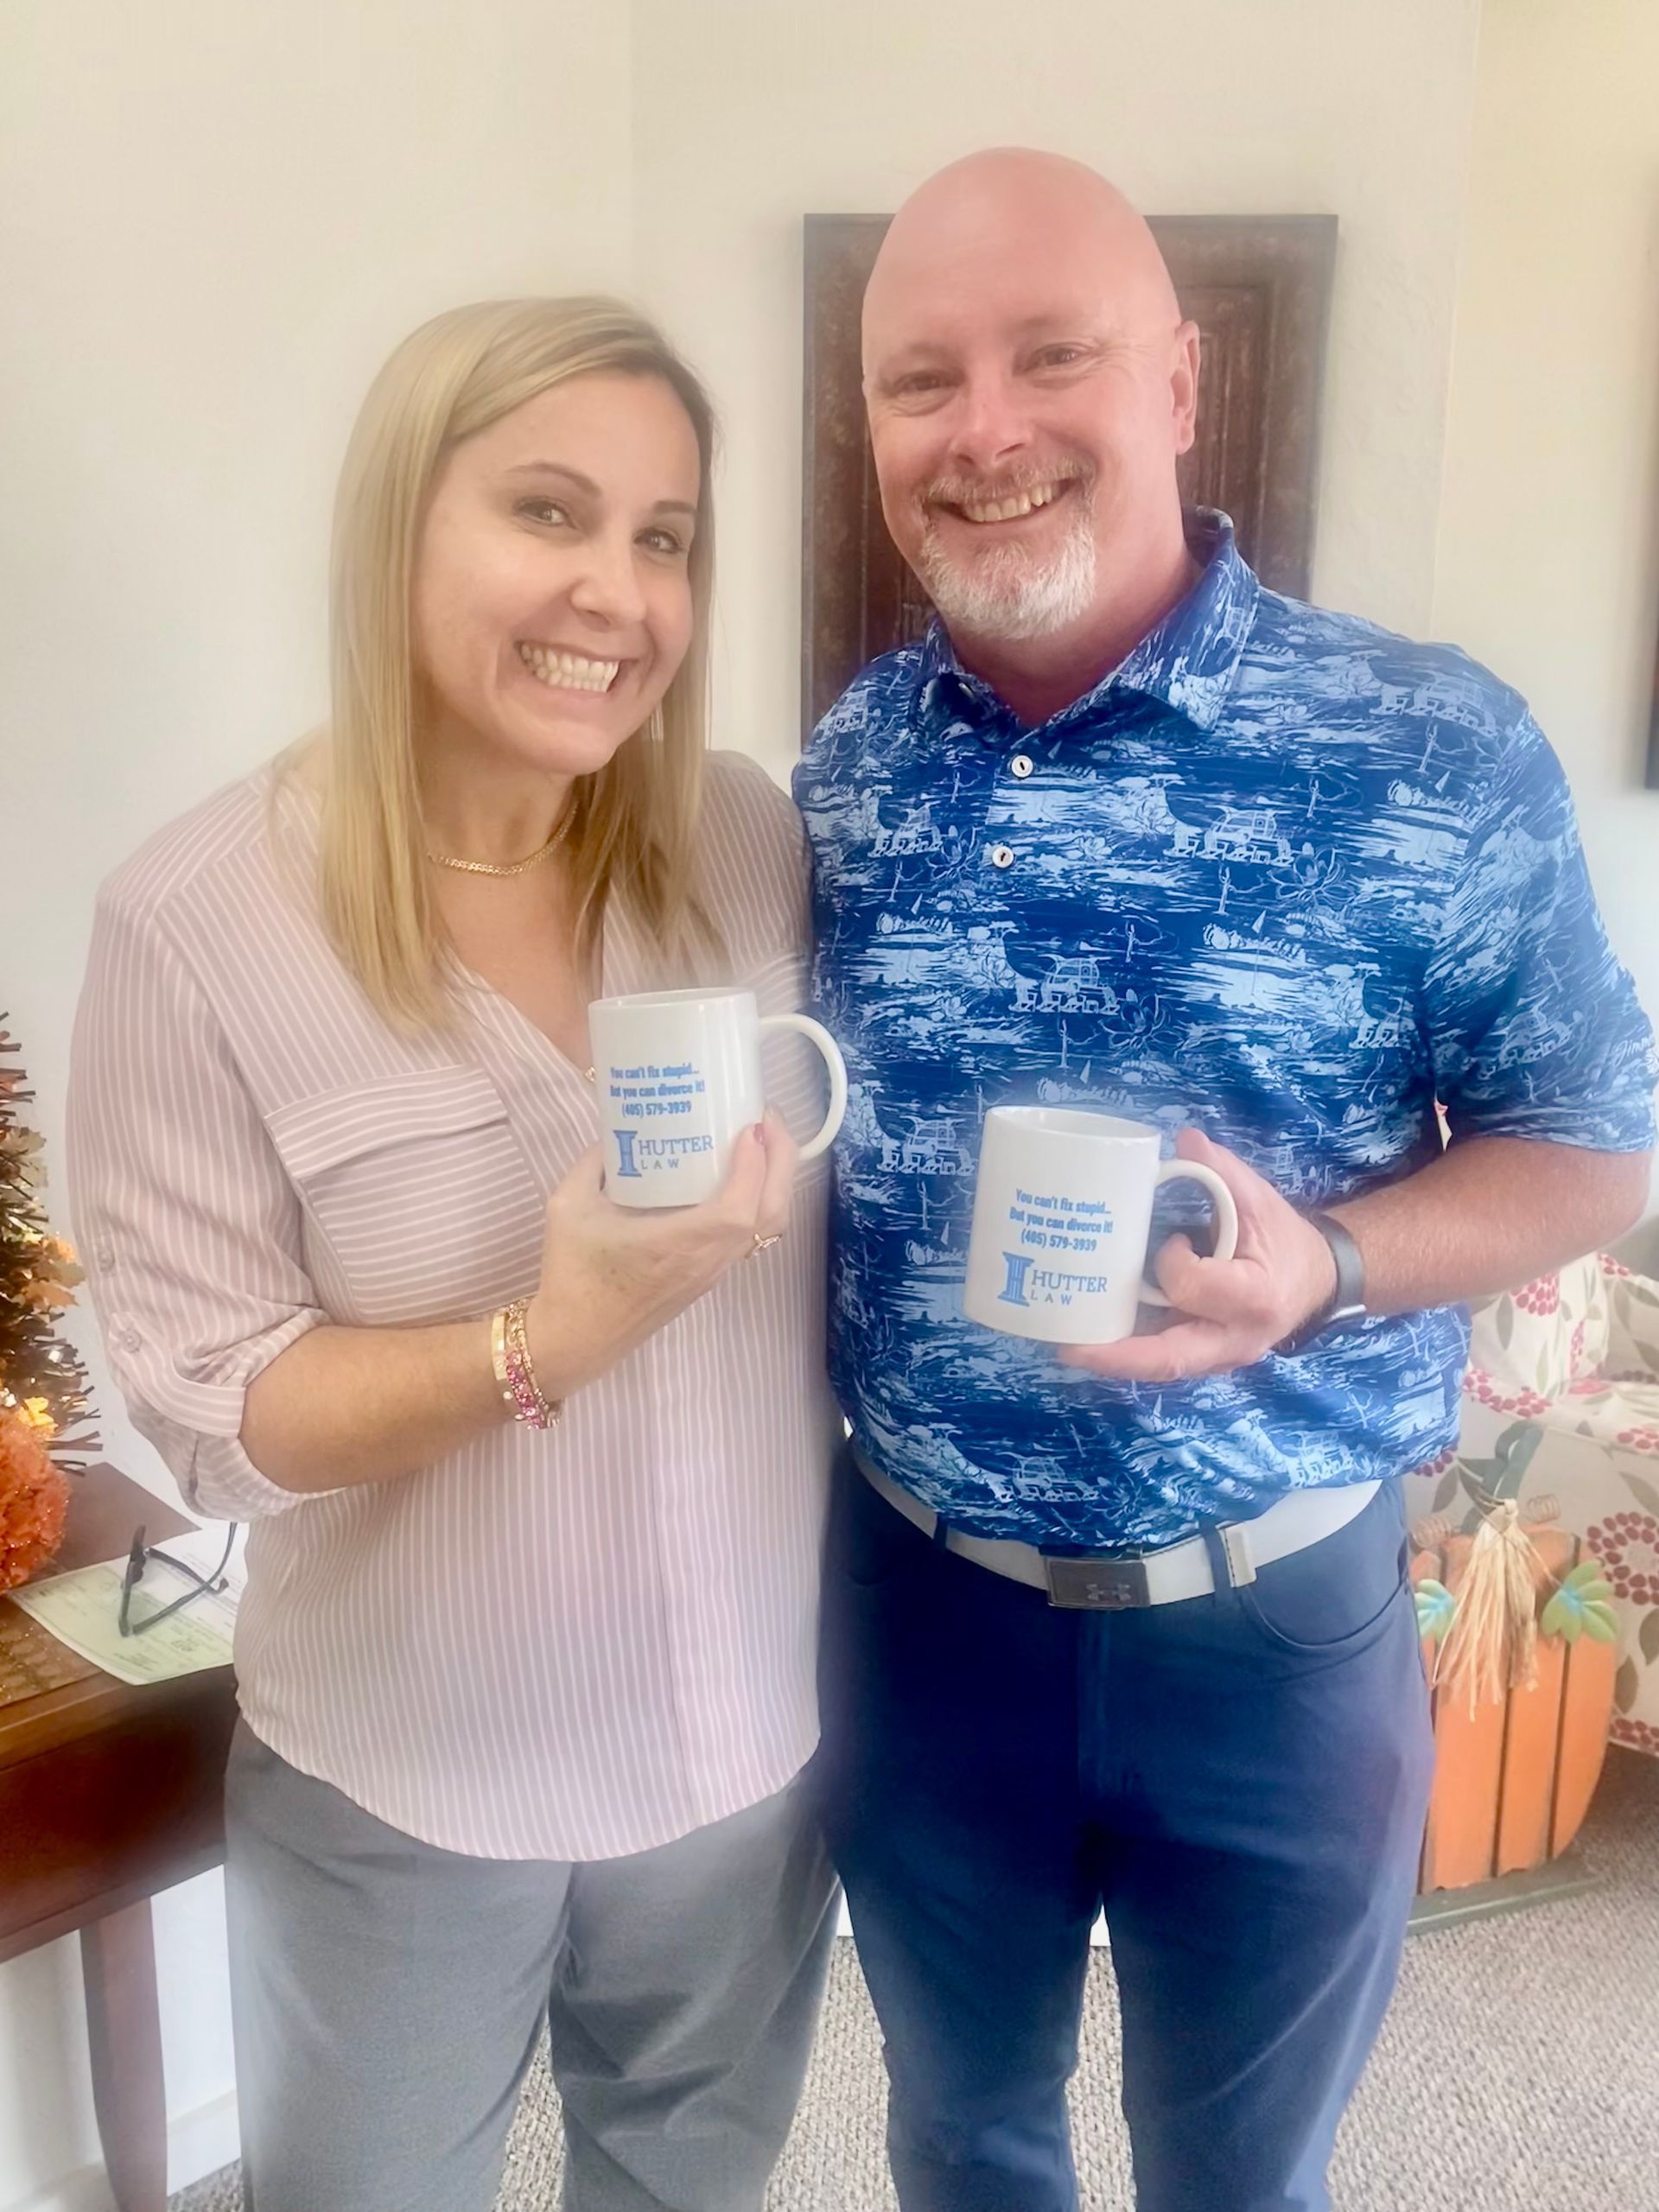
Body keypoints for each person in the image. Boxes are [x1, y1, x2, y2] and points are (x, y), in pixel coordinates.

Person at [794, 149, 1657, 2212]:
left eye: (1052, 356)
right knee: (964, 2139)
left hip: (1278, 1630)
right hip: (919, 1611)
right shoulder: (842, 766)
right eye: (925, 379)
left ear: (1180, 382)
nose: (985, 426)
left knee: (1241, 2179)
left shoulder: (1433, 748)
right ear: (877, 429)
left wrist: (1338, 1264)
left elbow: (1597, 1144)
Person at [68, 296, 840, 2212]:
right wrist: (540, 1334)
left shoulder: (745, 842)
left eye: (665, 536)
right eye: (550, 513)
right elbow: (213, 1414)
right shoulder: (197, 919)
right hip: (412, 1782)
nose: (617, 590)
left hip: (744, 1754)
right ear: (400, 526)